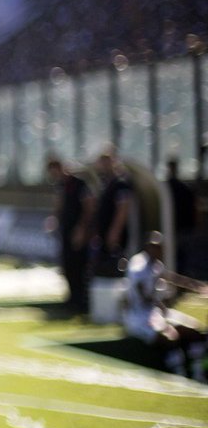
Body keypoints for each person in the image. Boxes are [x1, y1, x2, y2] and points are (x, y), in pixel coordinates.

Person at [123, 231, 208, 382]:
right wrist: (162, 301)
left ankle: (197, 372)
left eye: (160, 247)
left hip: (157, 312)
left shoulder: (156, 264)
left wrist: (196, 286)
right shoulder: (138, 266)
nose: (158, 251)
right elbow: (143, 295)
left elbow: (170, 277)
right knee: (170, 336)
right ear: (148, 247)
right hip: (140, 317)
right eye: (155, 247)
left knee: (194, 330)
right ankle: (179, 375)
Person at [46, 153, 95, 314]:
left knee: (79, 266)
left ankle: (81, 302)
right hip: (66, 232)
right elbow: (59, 206)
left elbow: (89, 207)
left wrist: (81, 229)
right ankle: (72, 298)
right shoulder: (61, 186)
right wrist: (54, 219)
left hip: (79, 232)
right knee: (67, 266)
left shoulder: (79, 184)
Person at [89, 144, 134, 278]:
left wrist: (115, 232)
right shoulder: (105, 184)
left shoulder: (120, 183)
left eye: (107, 161)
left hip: (115, 236)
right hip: (104, 235)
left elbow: (123, 209)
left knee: (115, 266)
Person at [166, 157, 198, 274]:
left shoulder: (167, 188)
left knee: (173, 254)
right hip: (183, 227)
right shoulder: (185, 188)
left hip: (173, 227)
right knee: (182, 255)